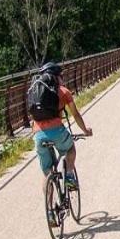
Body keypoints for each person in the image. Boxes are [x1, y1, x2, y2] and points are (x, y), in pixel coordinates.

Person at [29, 61, 92, 189]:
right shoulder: (63, 91)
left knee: (47, 173)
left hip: (38, 134)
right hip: (57, 131)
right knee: (70, 149)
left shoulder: (36, 92)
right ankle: (69, 176)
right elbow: (75, 114)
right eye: (61, 76)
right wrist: (85, 130)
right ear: (57, 77)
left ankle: (50, 207)